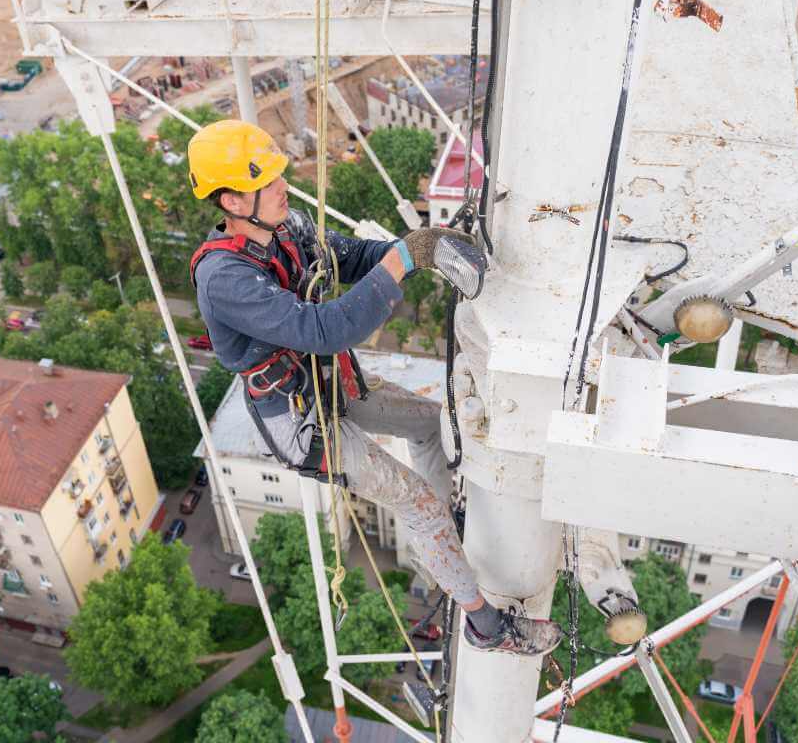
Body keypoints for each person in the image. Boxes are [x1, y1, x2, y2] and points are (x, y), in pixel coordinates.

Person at [188, 119, 562, 656]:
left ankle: (447, 524)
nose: (281, 186)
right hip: (303, 421)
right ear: (231, 199)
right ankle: (484, 625)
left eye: (276, 176)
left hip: (331, 386)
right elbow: (325, 330)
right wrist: (406, 256)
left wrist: (421, 250)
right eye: (265, 181)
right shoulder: (224, 277)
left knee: (429, 422)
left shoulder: (287, 227)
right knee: (417, 503)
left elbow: (356, 258)